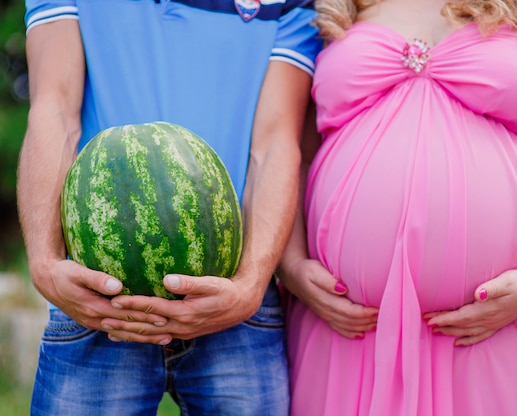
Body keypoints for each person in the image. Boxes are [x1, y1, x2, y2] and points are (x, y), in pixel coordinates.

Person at [278, 0, 517, 414]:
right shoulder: (330, 8)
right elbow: (285, 150)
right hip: (349, 333)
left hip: (501, 327)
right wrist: (292, 263)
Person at [17, 1, 322, 414]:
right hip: (98, 290)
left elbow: (275, 146)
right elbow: (54, 110)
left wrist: (249, 287)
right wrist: (45, 264)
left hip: (232, 294)